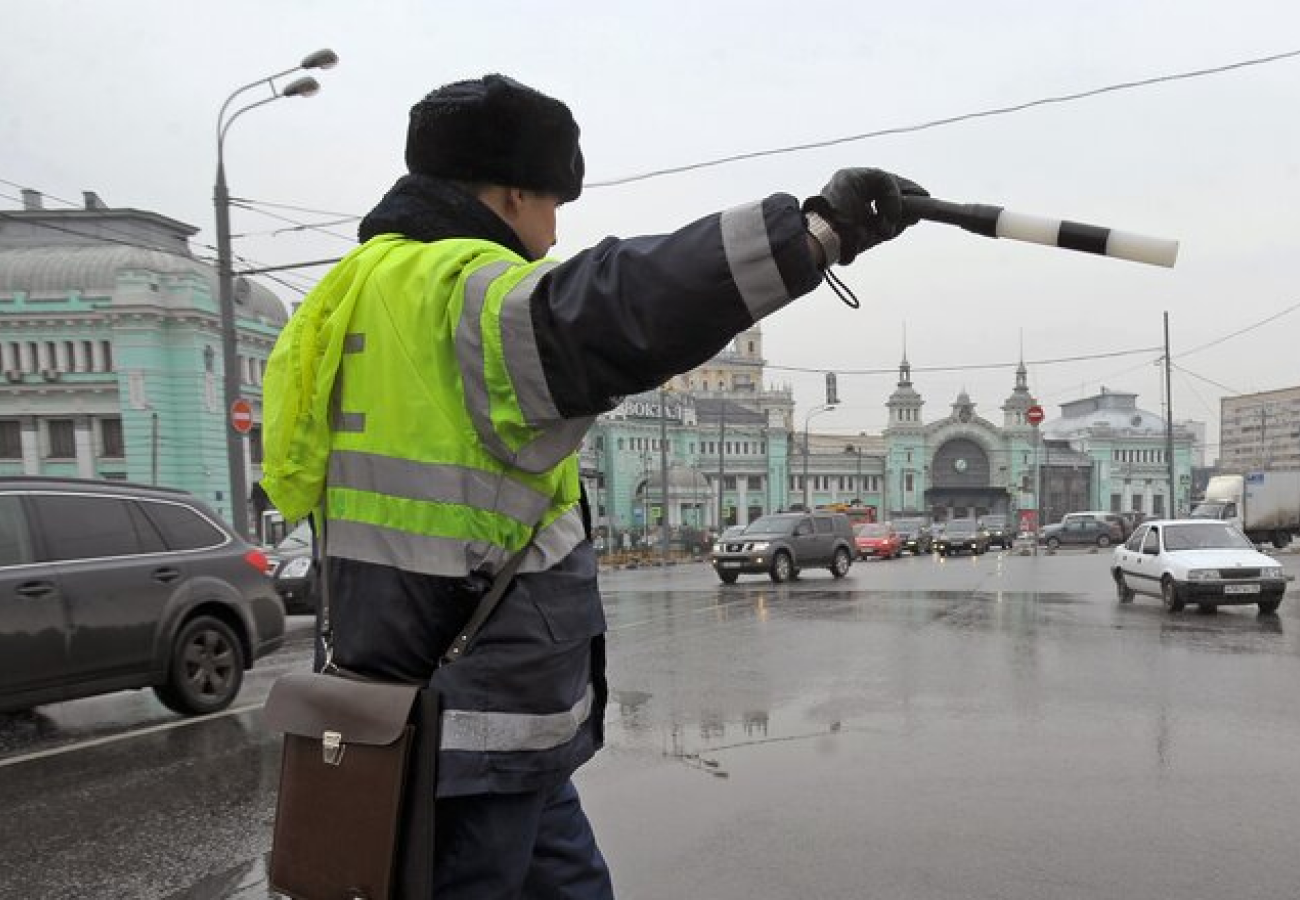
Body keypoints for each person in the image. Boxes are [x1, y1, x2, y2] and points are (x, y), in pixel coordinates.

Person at [261, 73, 925, 899]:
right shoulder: (460, 293)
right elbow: (620, 301)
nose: (549, 237)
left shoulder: (343, 298)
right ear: (509, 194)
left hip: (455, 712)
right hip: (469, 732)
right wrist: (815, 231)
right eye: (550, 207)